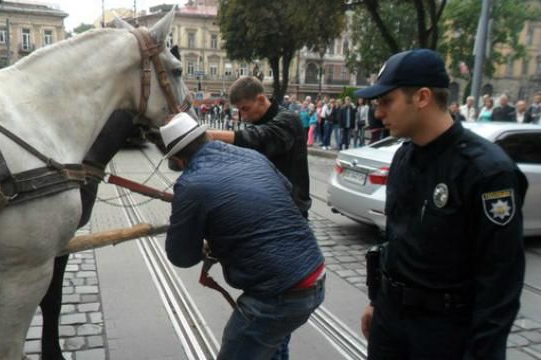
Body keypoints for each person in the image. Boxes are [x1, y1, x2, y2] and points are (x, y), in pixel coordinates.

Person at [356, 49, 527, 360]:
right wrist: (378, 301)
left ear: (421, 97)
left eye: (386, 101)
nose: (378, 112)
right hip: (391, 323)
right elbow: (395, 240)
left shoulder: (487, 171)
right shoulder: (404, 157)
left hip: (443, 332)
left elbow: (500, 281)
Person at [161, 113, 325, 360]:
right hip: (314, 274)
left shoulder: (190, 184)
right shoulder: (252, 156)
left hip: (277, 295)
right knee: (271, 345)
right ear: (206, 136)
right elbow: (287, 195)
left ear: (178, 160)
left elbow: (181, 256)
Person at [207, 76, 312, 218]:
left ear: (261, 99)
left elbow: (260, 139)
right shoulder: (260, 122)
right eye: (239, 110)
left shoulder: (288, 119)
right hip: (268, 206)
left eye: (245, 108)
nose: (243, 116)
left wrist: (207, 134)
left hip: (290, 210)